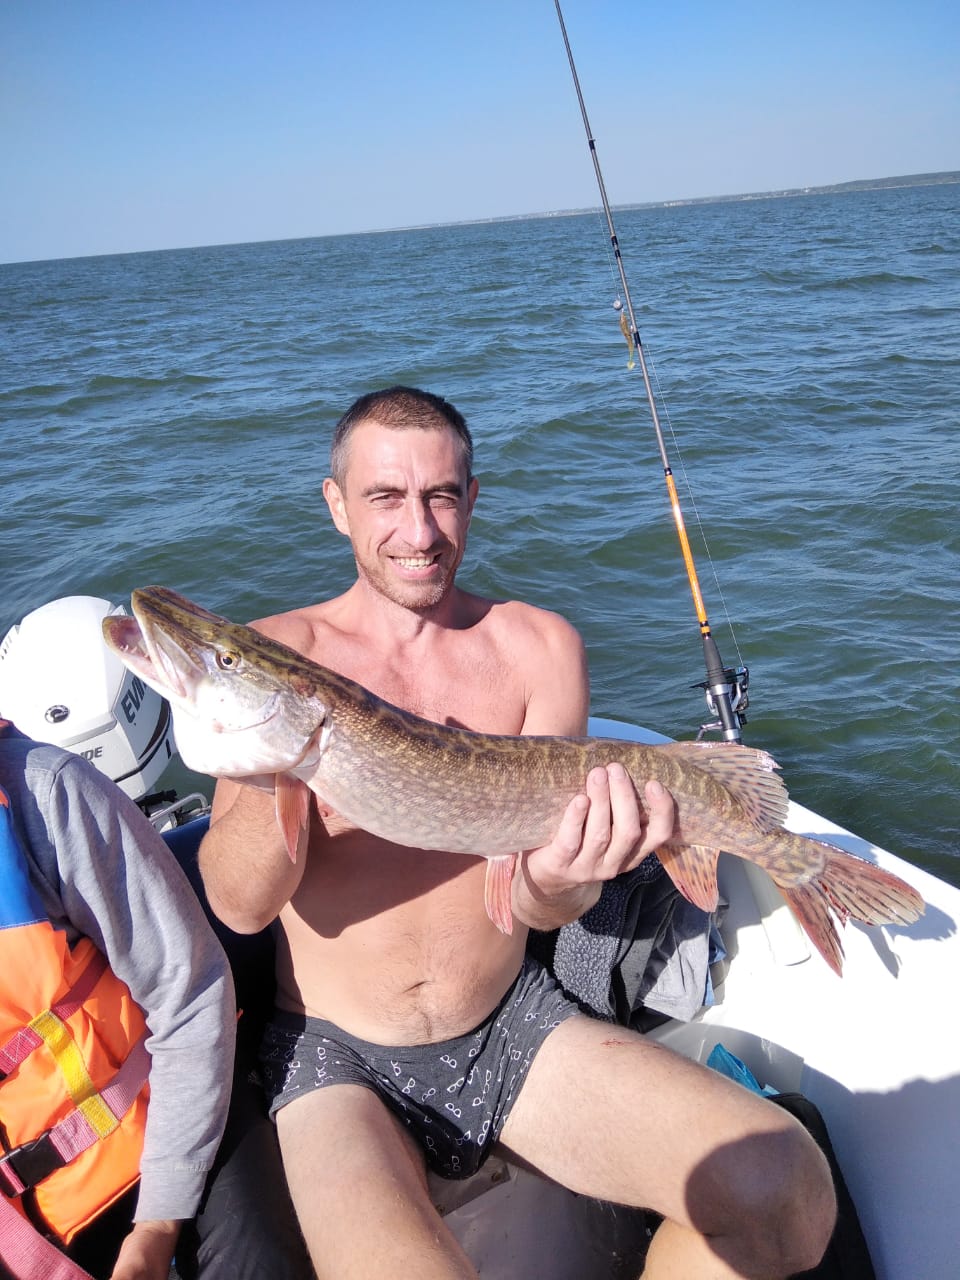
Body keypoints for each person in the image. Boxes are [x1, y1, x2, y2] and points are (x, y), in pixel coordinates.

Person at [198, 385, 837, 1279]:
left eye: (441, 496)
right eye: (385, 497)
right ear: (336, 504)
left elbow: (534, 904)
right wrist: (291, 770)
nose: (419, 531)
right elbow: (237, 904)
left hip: (512, 1026)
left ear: (471, 498)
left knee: (785, 1190)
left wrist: (574, 873)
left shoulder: (540, 648)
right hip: (336, 1060)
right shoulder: (273, 656)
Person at [0, 719, 312, 1280]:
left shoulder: (47, 796)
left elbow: (190, 992)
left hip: (171, 1122)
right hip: (29, 1225)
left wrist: (156, 1227)